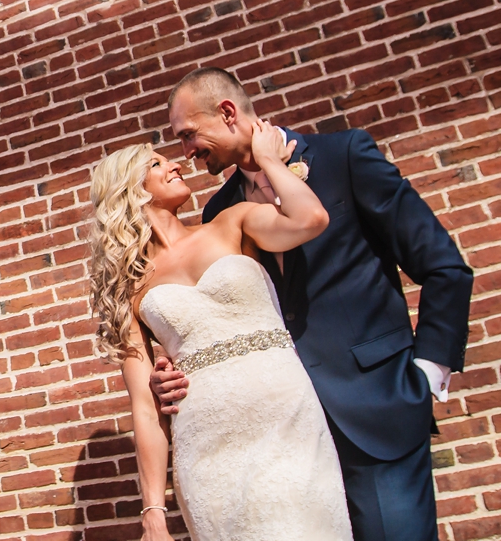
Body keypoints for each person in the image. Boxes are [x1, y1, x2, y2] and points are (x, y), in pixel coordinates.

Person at [152, 68, 473, 541]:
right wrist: (173, 369)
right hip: (280, 436)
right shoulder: (218, 213)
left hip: (375, 410)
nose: (186, 152)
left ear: (226, 113)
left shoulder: (344, 156)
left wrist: (424, 377)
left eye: (188, 135)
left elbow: (443, 267)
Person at [90, 121, 350, 541]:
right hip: (207, 443)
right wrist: (153, 509)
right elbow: (144, 406)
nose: (174, 164)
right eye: (156, 164)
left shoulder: (232, 223)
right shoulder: (128, 289)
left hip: (286, 416)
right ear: (130, 191)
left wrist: (267, 160)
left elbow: (310, 218)